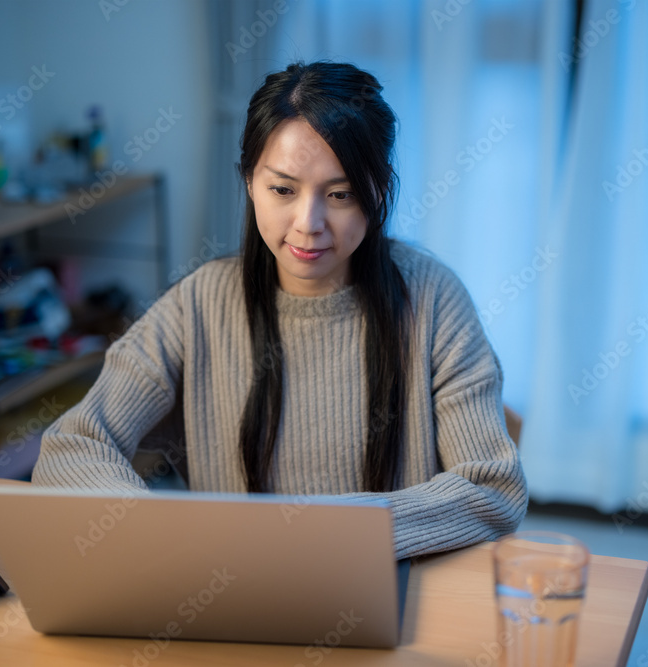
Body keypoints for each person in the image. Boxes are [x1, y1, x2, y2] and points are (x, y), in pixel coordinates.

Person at [33, 61, 526, 559]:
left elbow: (493, 489)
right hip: (230, 596)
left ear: (378, 191)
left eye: (341, 194)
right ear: (249, 181)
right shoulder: (198, 305)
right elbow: (72, 447)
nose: (308, 223)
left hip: (392, 589)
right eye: (283, 190)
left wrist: (322, 535)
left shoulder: (432, 299)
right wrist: (160, 531)